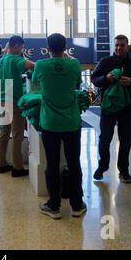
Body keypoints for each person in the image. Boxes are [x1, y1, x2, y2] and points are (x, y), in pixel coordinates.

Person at [33, 33, 86, 220]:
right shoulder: (74, 64)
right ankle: (77, 205)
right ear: (66, 48)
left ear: (47, 48)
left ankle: (54, 205)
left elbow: (35, 81)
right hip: (72, 122)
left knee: (52, 164)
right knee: (74, 163)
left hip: (50, 123)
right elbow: (77, 83)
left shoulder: (40, 65)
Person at [91, 35, 131, 183]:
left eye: (122, 45)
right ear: (114, 45)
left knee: (126, 140)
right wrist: (106, 79)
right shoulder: (105, 62)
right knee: (104, 139)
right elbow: (94, 79)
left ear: (127, 45)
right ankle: (102, 166)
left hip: (129, 109)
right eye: (117, 45)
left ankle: (124, 170)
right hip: (108, 108)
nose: (119, 48)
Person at [0, 35, 35, 178]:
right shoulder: (15, 59)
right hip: (13, 100)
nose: (22, 50)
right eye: (22, 47)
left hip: (2, 99)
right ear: (17, 46)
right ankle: (17, 168)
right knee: (17, 134)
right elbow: (32, 66)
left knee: (4, 133)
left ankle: (2, 164)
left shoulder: (1, 61)